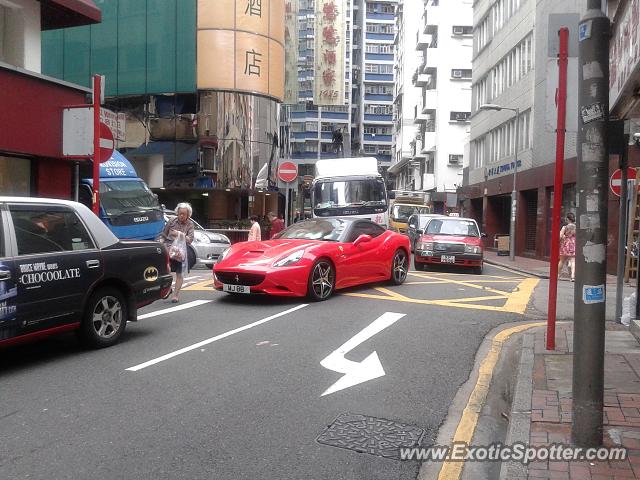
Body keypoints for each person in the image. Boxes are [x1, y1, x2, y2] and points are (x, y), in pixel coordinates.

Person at [160, 202, 195, 303]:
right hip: (169, 248)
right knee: (166, 269)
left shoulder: (190, 224)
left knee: (179, 273)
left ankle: (175, 295)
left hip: (182, 251)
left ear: (188, 215)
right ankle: (168, 287)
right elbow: (164, 235)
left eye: (184, 214)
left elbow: (190, 240)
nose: (182, 216)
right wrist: (160, 244)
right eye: (180, 213)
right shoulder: (171, 221)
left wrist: (179, 234)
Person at [558, 212, 576, 282]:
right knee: (573, 261)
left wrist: (564, 237)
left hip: (565, 244)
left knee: (562, 260)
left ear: (568, 219)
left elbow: (560, 236)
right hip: (573, 244)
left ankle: (558, 275)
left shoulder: (564, 227)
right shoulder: (576, 227)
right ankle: (572, 276)